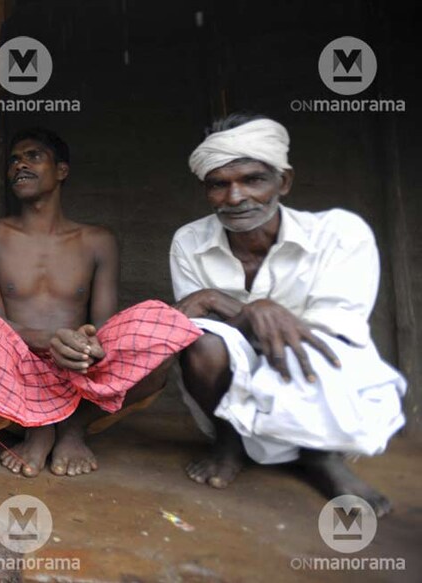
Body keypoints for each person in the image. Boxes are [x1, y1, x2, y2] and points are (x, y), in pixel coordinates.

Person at [0, 128, 202, 477]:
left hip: (77, 370)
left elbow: (104, 329)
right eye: (14, 160)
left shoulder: (98, 240)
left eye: (33, 156)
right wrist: (48, 340)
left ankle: (73, 427)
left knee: (164, 328)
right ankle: (39, 428)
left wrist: (84, 347)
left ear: (62, 170)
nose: (20, 165)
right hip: (13, 371)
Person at [172, 114, 406, 516]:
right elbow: (192, 326)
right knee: (201, 343)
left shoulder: (339, 234)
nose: (235, 198)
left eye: (253, 180)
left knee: (312, 344)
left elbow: (336, 332)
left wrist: (235, 307)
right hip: (235, 379)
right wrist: (237, 312)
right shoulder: (190, 241)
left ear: (285, 181)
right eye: (219, 184)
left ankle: (320, 455)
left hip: (320, 377)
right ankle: (229, 441)